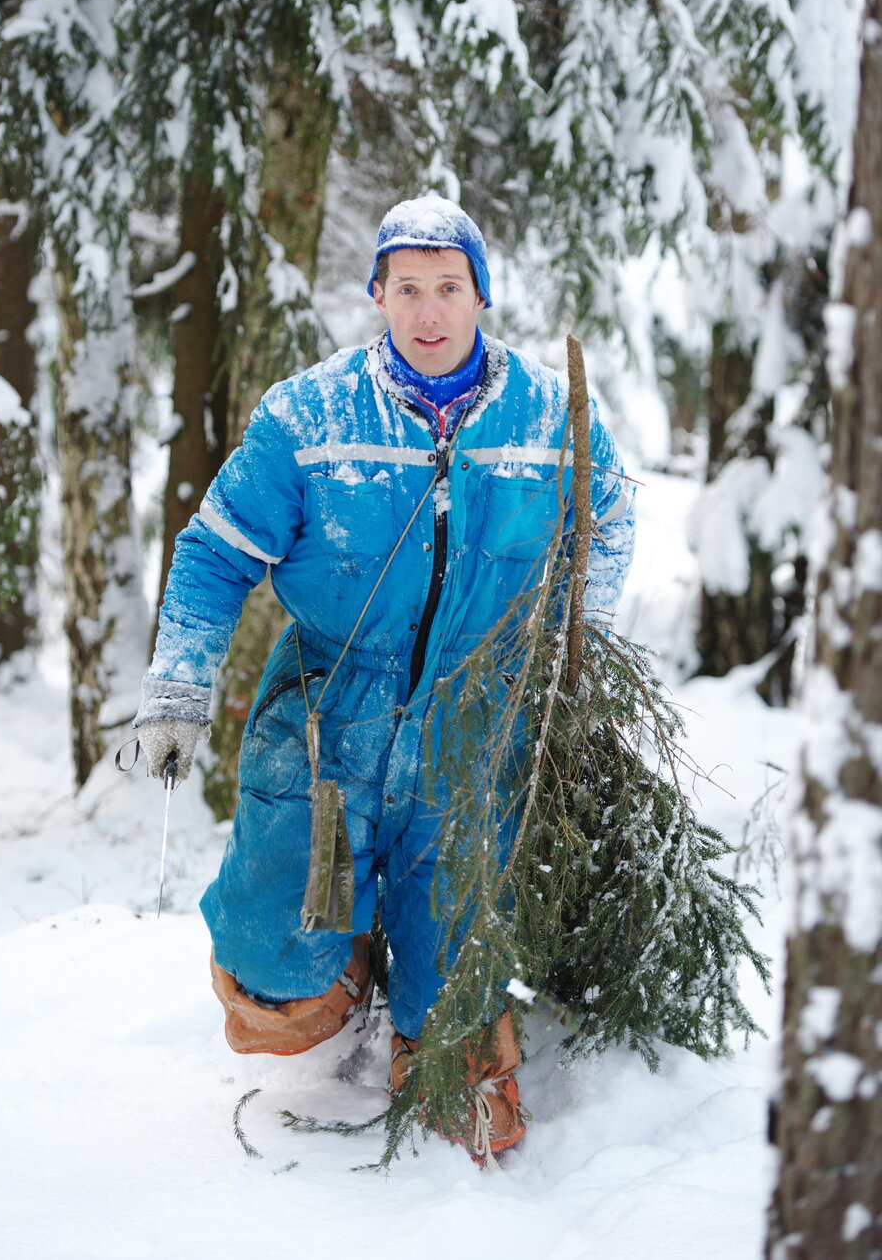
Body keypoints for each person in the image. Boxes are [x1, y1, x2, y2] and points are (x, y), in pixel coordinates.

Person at [133, 196, 635, 1162]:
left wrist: (584, 655)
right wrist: (179, 689)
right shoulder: (309, 416)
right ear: (378, 296)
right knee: (276, 994)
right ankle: (343, 961)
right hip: (330, 715)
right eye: (408, 288)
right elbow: (212, 552)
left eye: (450, 288)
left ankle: (427, 999)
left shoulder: (546, 414)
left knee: (463, 1069)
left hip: (474, 727)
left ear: (481, 298)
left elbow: (604, 523)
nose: (429, 310)